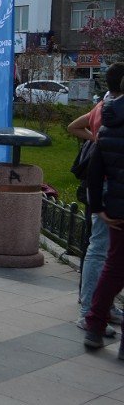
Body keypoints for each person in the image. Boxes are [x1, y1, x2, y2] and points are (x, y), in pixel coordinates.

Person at [69, 63, 124, 337]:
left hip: (104, 188)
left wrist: (94, 138)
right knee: (102, 251)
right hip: (110, 189)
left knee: (109, 255)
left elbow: (72, 126)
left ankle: (101, 309)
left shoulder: (102, 109)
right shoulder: (112, 112)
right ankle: (91, 310)